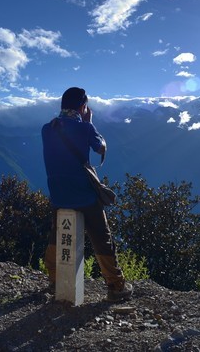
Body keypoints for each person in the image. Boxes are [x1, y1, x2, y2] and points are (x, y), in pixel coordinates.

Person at [41, 87, 133, 302]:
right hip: (85, 194)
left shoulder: (47, 129)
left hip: (58, 194)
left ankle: (55, 280)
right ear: (83, 107)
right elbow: (100, 148)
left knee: (57, 236)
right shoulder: (85, 129)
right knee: (102, 238)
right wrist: (90, 123)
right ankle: (116, 285)